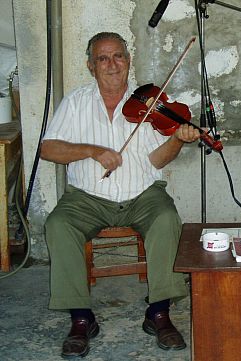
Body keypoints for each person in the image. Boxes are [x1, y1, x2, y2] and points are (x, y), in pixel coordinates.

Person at [40, 32, 201, 358]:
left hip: (142, 195)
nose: (112, 64)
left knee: (167, 219)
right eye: (103, 58)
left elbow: (157, 159)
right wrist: (92, 150)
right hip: (87, 197)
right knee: (58, 224)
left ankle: (158, 312)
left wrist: (177, 140)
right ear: (90, 65)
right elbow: (48, 149)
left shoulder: (151, 103)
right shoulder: (76, 101)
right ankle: (81, 318)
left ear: (128, 61)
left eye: (119, 57)